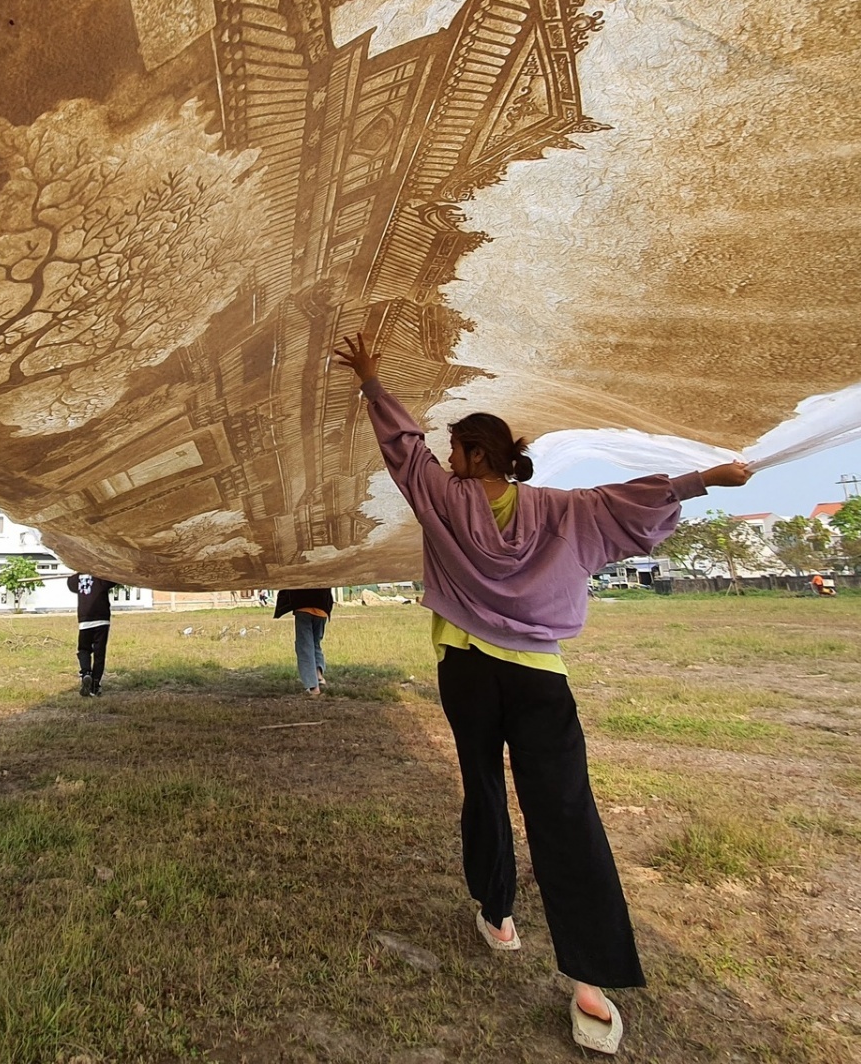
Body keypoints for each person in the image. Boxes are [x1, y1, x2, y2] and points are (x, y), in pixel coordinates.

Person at [334, 332, 751, 1056]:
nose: (447, 457)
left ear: (471, 456)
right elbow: (633, 501)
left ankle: (498, 916)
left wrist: (373, 382)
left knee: (484, 789)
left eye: (456, 449)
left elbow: (403, 450)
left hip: (466, 668)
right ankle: (590, 986)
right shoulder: (564, 508)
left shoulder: (444, 498)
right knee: (565, 813)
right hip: (538, 676)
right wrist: (705, 478)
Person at [272, 588, 333, 694]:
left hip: (303, 607)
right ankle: (318, 675)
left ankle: (313, 687)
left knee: (305, 646)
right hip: (322, 607)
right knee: (315, 643)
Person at [67, 572, 118, 695]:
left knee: (84, 649)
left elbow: (70, 584)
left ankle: (86, 673)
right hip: (102, 620)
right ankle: (95, 685)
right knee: (99, 654)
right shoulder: (101, 577)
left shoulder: (76, 579)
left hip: (85, 620)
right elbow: (114, 579)